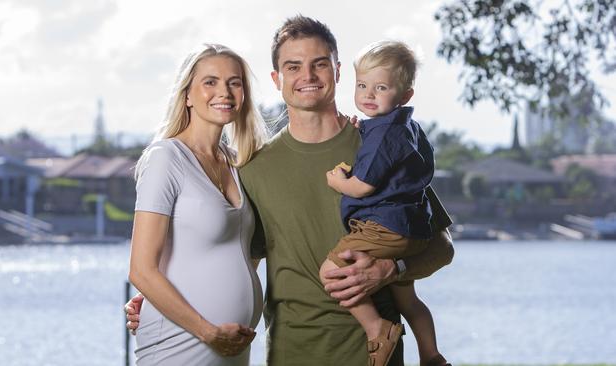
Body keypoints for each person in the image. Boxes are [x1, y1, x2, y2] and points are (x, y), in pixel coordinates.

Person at [127, 16, 454, 365]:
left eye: (319, 65)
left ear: (338, 71)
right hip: (290, 351)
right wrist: (157, 301)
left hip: (374, 353)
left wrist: (393, 269)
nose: (308, 77)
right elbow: (237, 256)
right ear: (276, 79)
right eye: (293, 66)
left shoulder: (381, 146)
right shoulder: (252, 168)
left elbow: (442, 247)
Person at [128, 43, 267, 366]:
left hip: (232, 345)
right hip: (182, 343)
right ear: (187, 94)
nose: (225, 92)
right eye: (211, 82)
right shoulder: (166, 159)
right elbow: (141, 269)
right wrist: (208, 332)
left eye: (235, 83)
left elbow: (238, 253)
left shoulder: (236, 163)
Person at [321, 40, 449, 366]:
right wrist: (360, 130)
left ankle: (377, 328)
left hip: (383, 227)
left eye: (380, 87)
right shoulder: (407, 128)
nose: (368, 94)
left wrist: (339, 182)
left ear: (405, 95)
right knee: (410, 301)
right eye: (362, 85)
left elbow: (362, 187)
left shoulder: (382, 135)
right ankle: (432, 356)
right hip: (411, 228)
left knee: (331, 272)